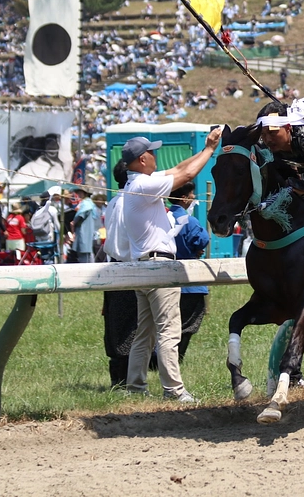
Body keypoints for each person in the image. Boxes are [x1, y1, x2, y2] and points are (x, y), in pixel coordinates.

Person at [123, 128, 222, 402]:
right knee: (168, 331)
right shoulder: (144, 185)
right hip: (159, 265)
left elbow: (179, 169)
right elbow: (186, 175)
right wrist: (210, 150)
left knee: (144, 333)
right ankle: (174, 391)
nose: (156, 157)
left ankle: (136, 387)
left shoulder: (138, 183)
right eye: (152, 153)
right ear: (142, 159)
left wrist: (205, 149)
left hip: (144, 266)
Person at [165, 182, 210, 363]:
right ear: (184, 198)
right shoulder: (189, 221)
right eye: (191, 194)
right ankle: (176, 358)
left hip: (165, 278)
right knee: (187, 324)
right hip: (190, 282)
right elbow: (202, 240)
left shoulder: (163, 218)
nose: (193, 197)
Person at [102, 160, 137, 388]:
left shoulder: (114, 201)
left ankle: (119, 378)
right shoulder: (130, 202)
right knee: (129, 325)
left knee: (116, 324)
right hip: (129, 266)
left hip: (113, 266)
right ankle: (125, 379)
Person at [70, 186, 97, 264]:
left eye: (80, 192)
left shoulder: (86, 203)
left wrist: (74, 222)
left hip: (84, 232)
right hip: (85, 232)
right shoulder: (89, 203)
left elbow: (81, 214)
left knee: (84, 256)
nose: (78, 194)